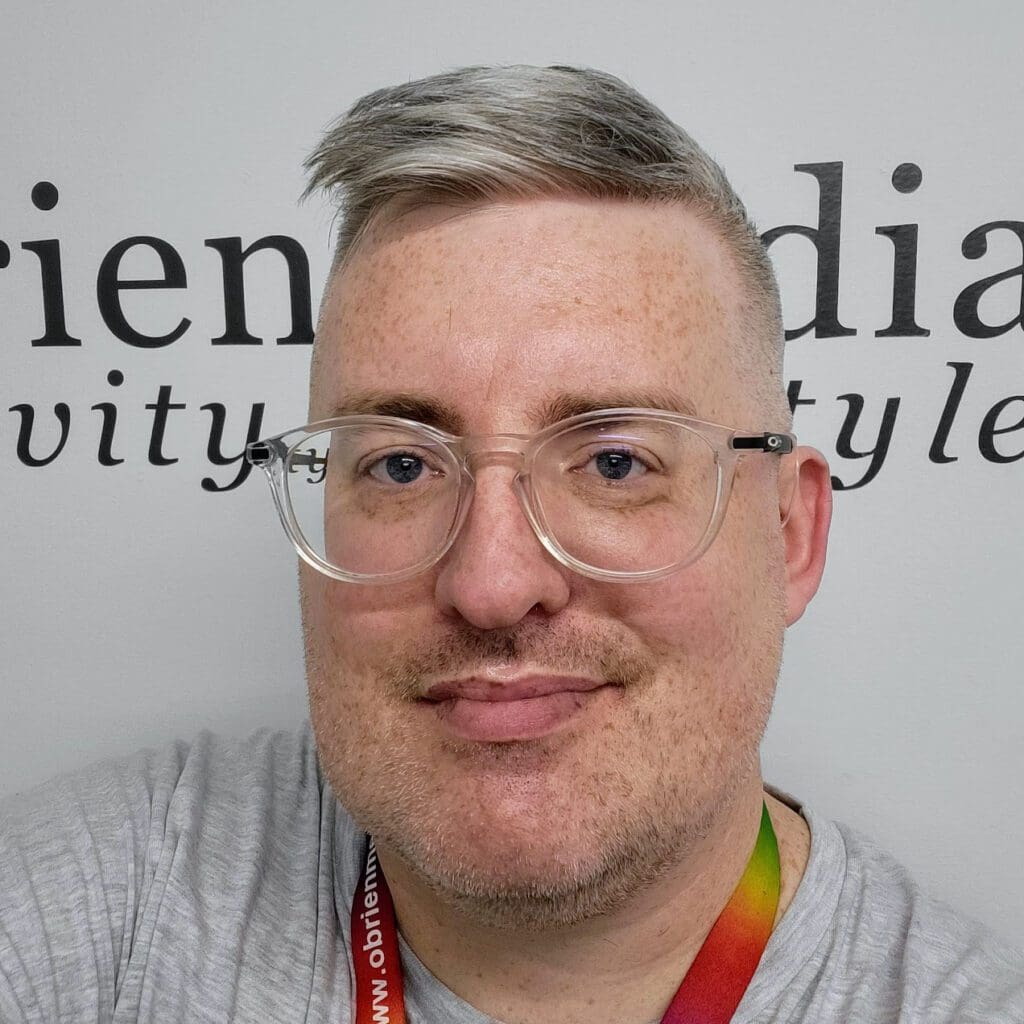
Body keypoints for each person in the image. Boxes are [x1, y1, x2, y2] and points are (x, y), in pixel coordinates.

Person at [1, 64, 1021, 1024]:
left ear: (788, 535)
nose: (491, 582)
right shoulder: (111, 897)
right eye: (402, 464)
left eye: (615, 461)